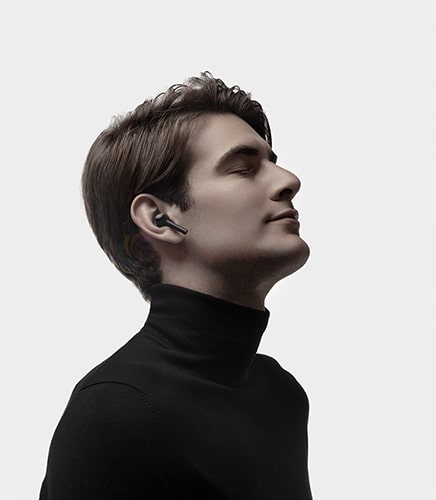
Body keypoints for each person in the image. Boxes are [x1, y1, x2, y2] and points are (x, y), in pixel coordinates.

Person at [39, 72, 313, 499]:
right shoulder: (114, 413)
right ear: (159, 219)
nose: (288, 180)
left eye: (273, 162)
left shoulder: (280, 396)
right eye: (244, 168)